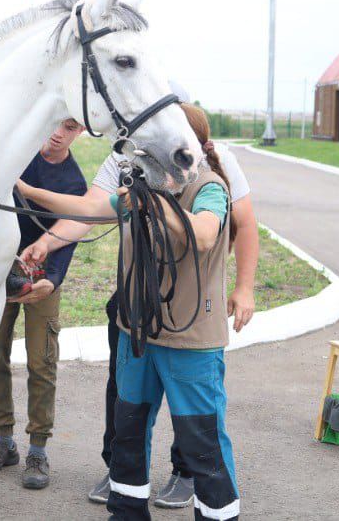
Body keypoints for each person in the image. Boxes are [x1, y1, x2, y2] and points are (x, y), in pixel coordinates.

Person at [19, 103, 250, 520]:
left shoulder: (210, 187)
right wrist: (29, 196)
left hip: (190, 342)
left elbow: (202, 233)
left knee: (202, 443)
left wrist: (157, 204)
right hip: (137, 332)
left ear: (182, 147)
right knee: (127, 434)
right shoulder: (143, 187)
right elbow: (86, 210)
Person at [0, 118, 90, 490]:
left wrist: (51, 280)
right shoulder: (17, 158)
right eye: (57, 123)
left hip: (42, 278)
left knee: (42, 361)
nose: (59, 132)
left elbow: (69, 232)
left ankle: (38, 449)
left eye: (70, 127)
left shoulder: (74, 182)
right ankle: (4, 441)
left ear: (80, 132)